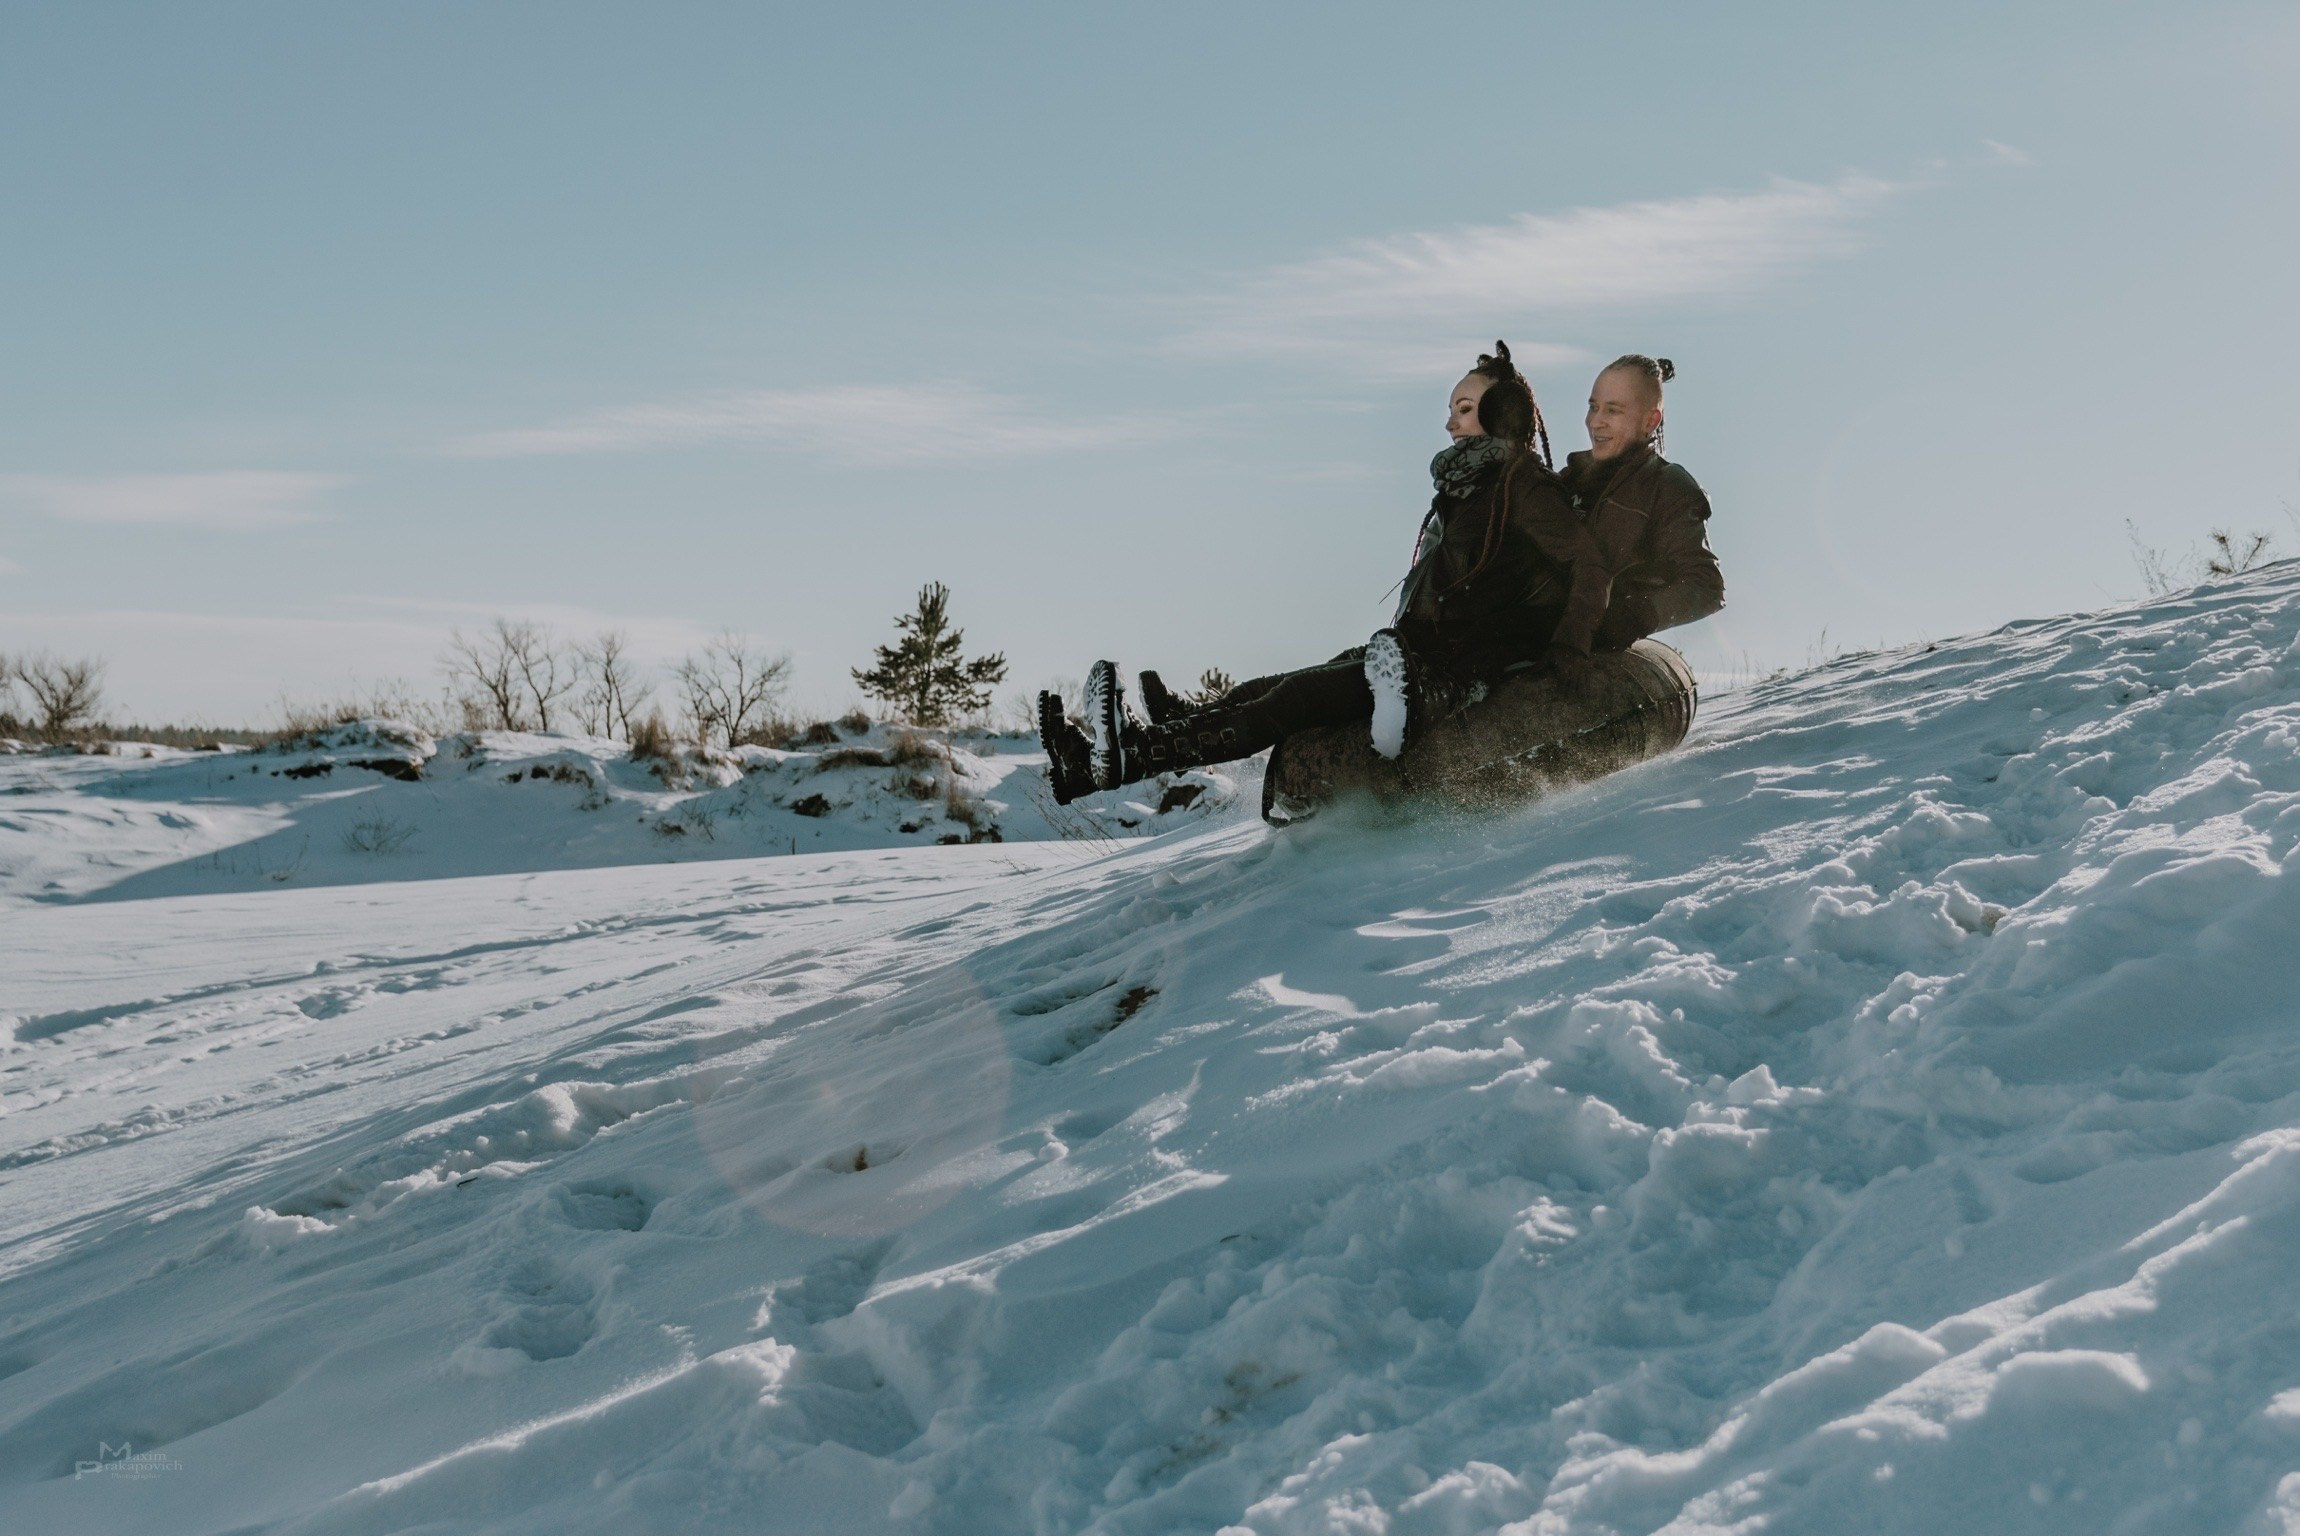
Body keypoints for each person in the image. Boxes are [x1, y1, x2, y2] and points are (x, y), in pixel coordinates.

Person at [1037, 342, 1612, 804]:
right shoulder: (1473, 488)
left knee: (1293, 699)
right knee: (1272, 687)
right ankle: (1102, 757)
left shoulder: (1526, 489)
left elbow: (1590, 568)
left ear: (1502, 413)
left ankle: (1134, 755)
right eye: (1451, 409)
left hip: (1453, 666)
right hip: (1418, 647)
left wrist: (1568, 650)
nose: (1449, 423)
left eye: (1464, 409)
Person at [1565, 356, 1723, 650]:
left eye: (1613, 410)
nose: (1595, 421)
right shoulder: (1566, 481)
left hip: (1599, 649)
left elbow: (1706, 586)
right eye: (1593, 407)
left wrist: (1635, 615)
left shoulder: (1667, 486)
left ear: (1650, 421)